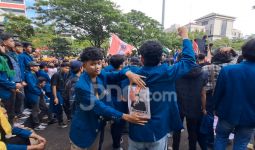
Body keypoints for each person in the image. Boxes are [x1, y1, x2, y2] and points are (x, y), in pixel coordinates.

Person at [127, 27, 196, 150]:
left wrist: (126, 73)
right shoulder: (168, 73)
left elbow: (111, 72)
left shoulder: (132, 73)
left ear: (141, 59)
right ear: (161, 58)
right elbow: (189, 60)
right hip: (157, 132)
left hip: (135, 132)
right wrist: (185, 36)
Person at [69, 47, 149, 150]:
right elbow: (99, 106)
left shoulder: (100, 74)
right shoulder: (81, 86)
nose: (97, 67)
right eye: (93, 64)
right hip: (84, 130)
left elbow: (113, 75)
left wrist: (127, 73)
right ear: (84, 65)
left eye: (99, 63)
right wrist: (125, 116)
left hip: (98, 127)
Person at [214, 38, 255, 150]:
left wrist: (215, 109)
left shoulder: (228, 70)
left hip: (227, 114)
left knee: (221, 138)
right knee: (241, 144)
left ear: (244, 51)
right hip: (250, 117)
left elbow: (218, 93)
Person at [172, 56, 208, 150]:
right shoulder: (202, 73)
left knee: (176, 130)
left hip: (178, 105)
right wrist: (203, 108)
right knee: (193, 131)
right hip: (195, 106)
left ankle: (175, 147)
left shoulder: (175, 72)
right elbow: (203, 94)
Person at [24, 61, 46, 131]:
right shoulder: (29, 75)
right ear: (31, 67)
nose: (38, 67)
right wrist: (39, 92)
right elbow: (32, 87)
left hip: (37, 93)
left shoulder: (33, 73)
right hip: (33, 95)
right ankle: (36, 125)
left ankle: (38, 123)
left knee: (43, 107)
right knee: (35, 110)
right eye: (36, 66)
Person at [51, 62, 71, 128]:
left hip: (64, 93)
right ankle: (60, 123)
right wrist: (55, 97)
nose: (67, 69)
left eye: (68, 68)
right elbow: (54, 86)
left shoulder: (65, 74)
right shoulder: (56, 75)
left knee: (66, 105)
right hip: (58, 93)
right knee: (59, 108)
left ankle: (69, 117)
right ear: (62, 67)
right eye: (66, 68)